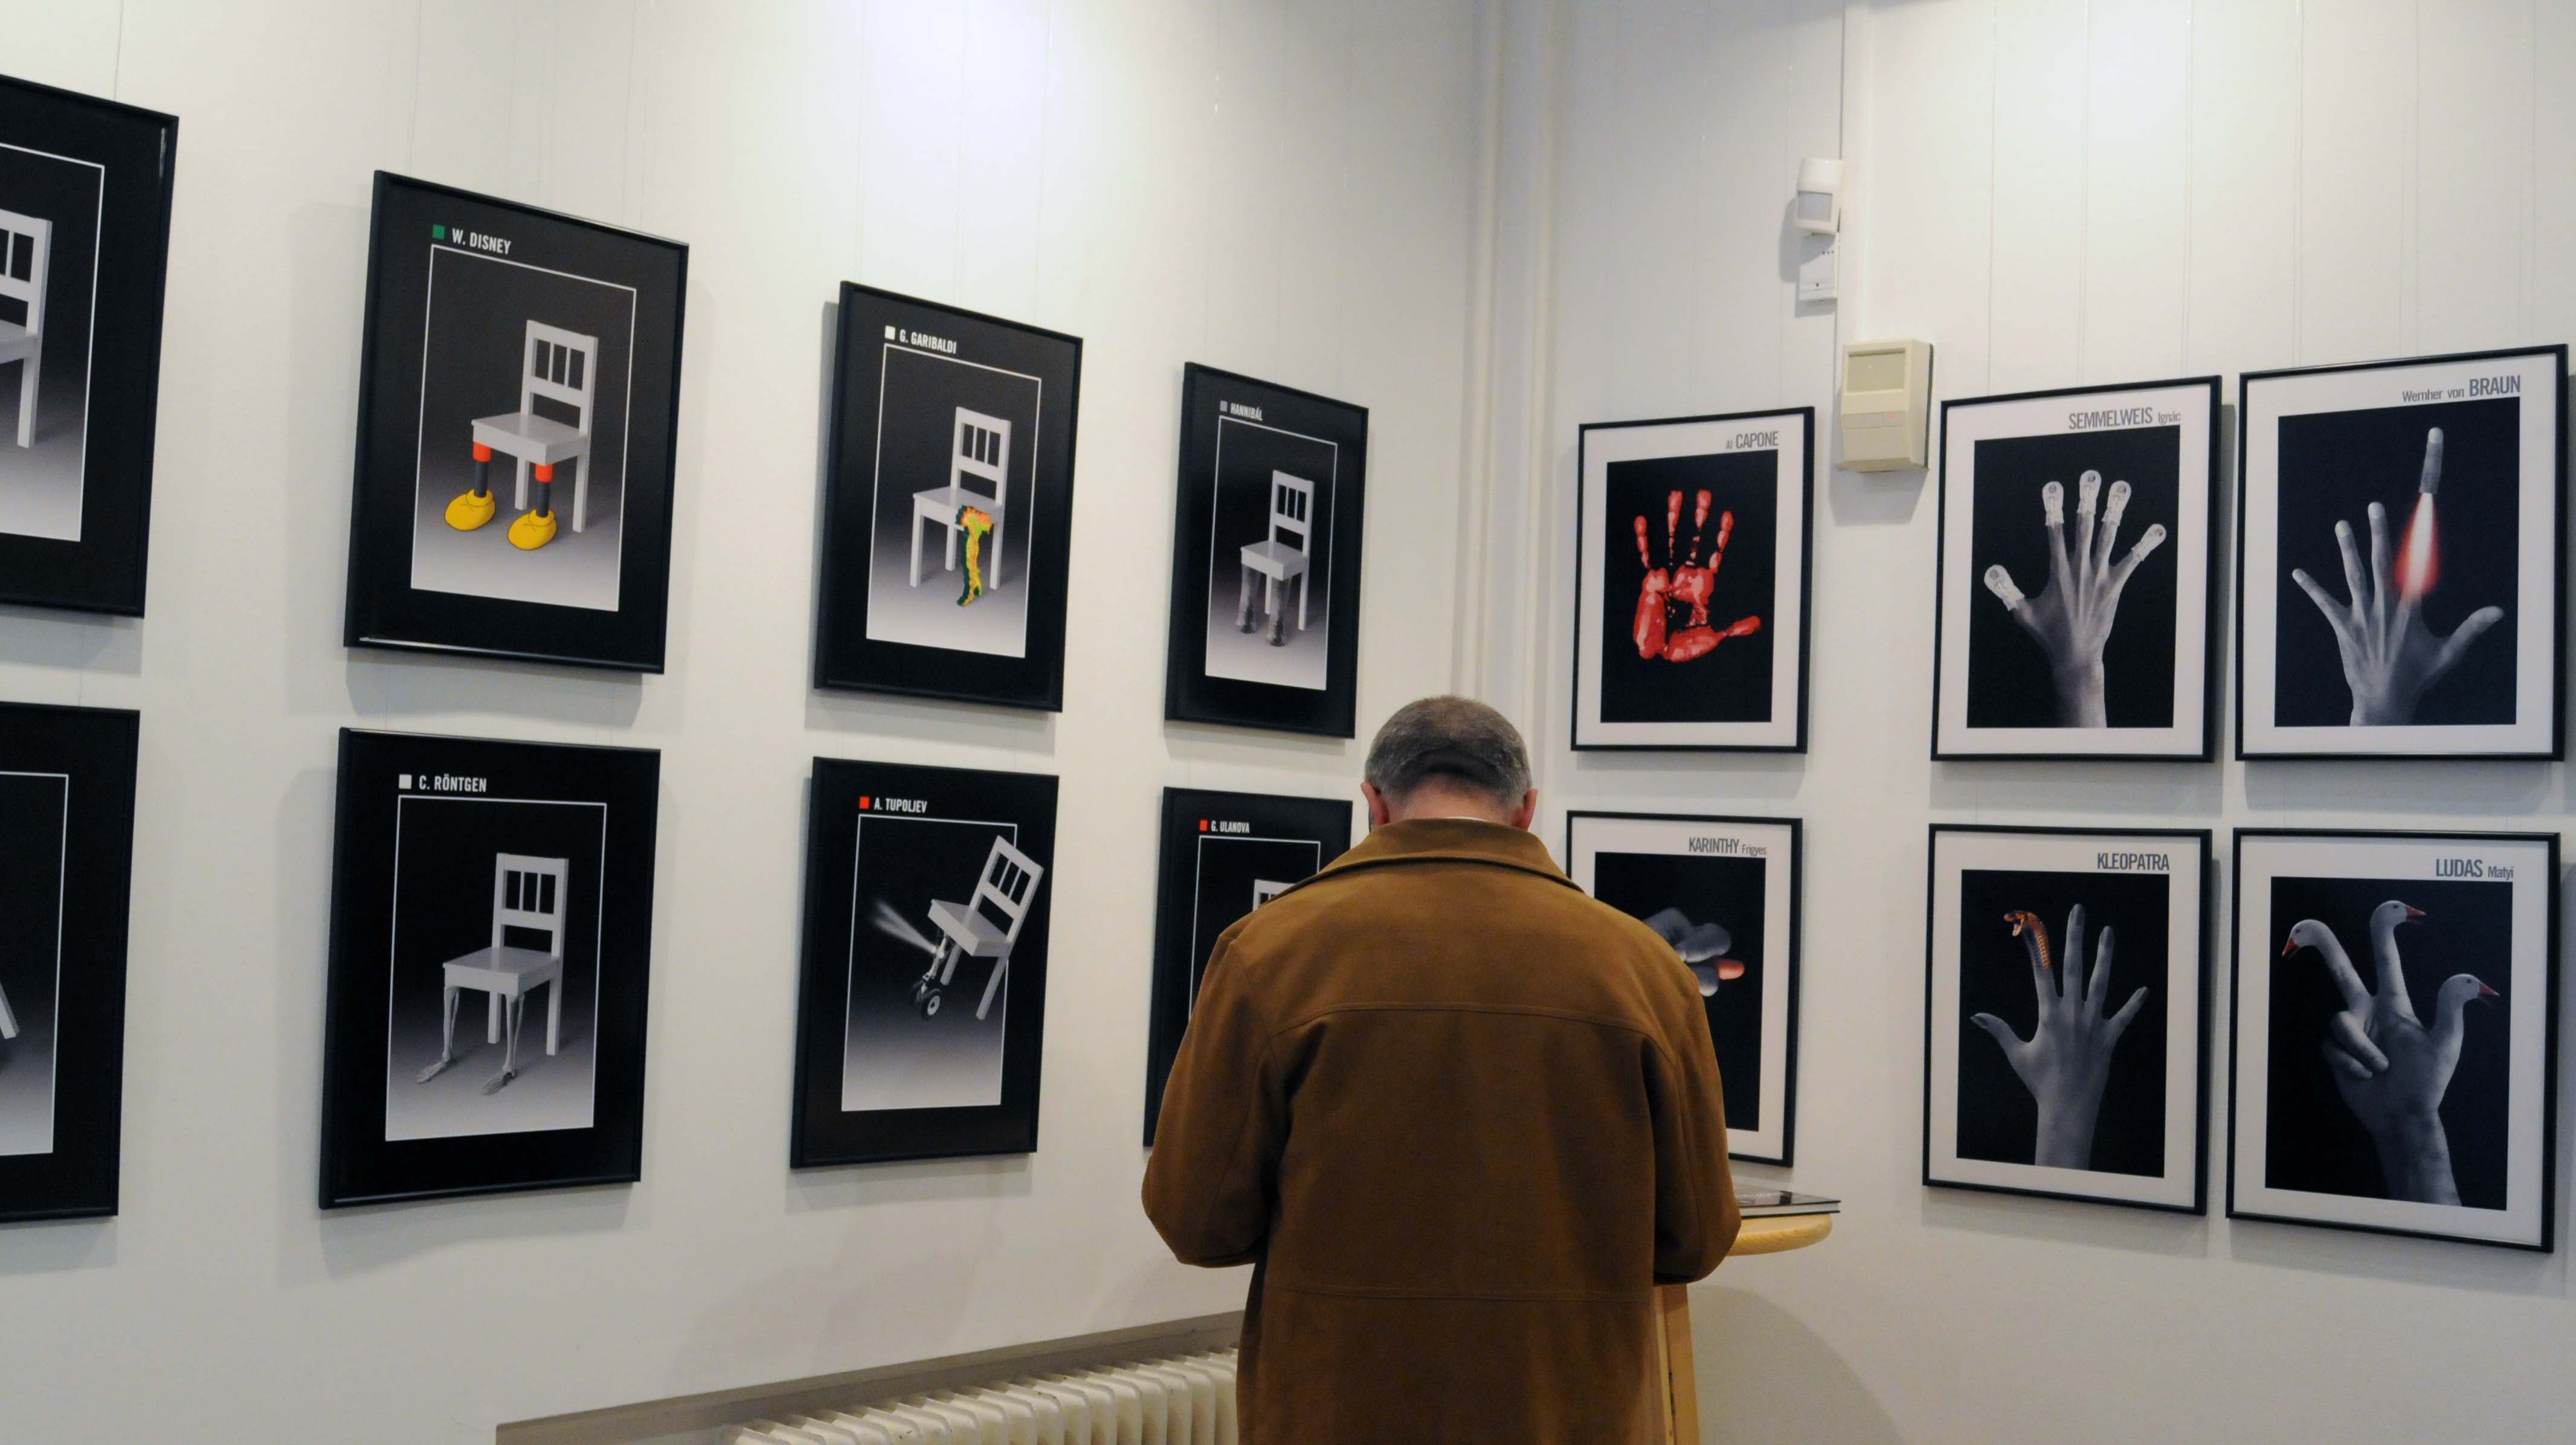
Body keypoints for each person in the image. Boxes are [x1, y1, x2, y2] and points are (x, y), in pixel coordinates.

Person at [1142, 695, 1739, 1443]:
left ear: (1374, 805)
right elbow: (1696, 1237)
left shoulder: (1268, 950)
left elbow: (1196, 1222)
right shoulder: (1644, 968)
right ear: (1526, 811)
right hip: (1564, 1409)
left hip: (1336, 1409)